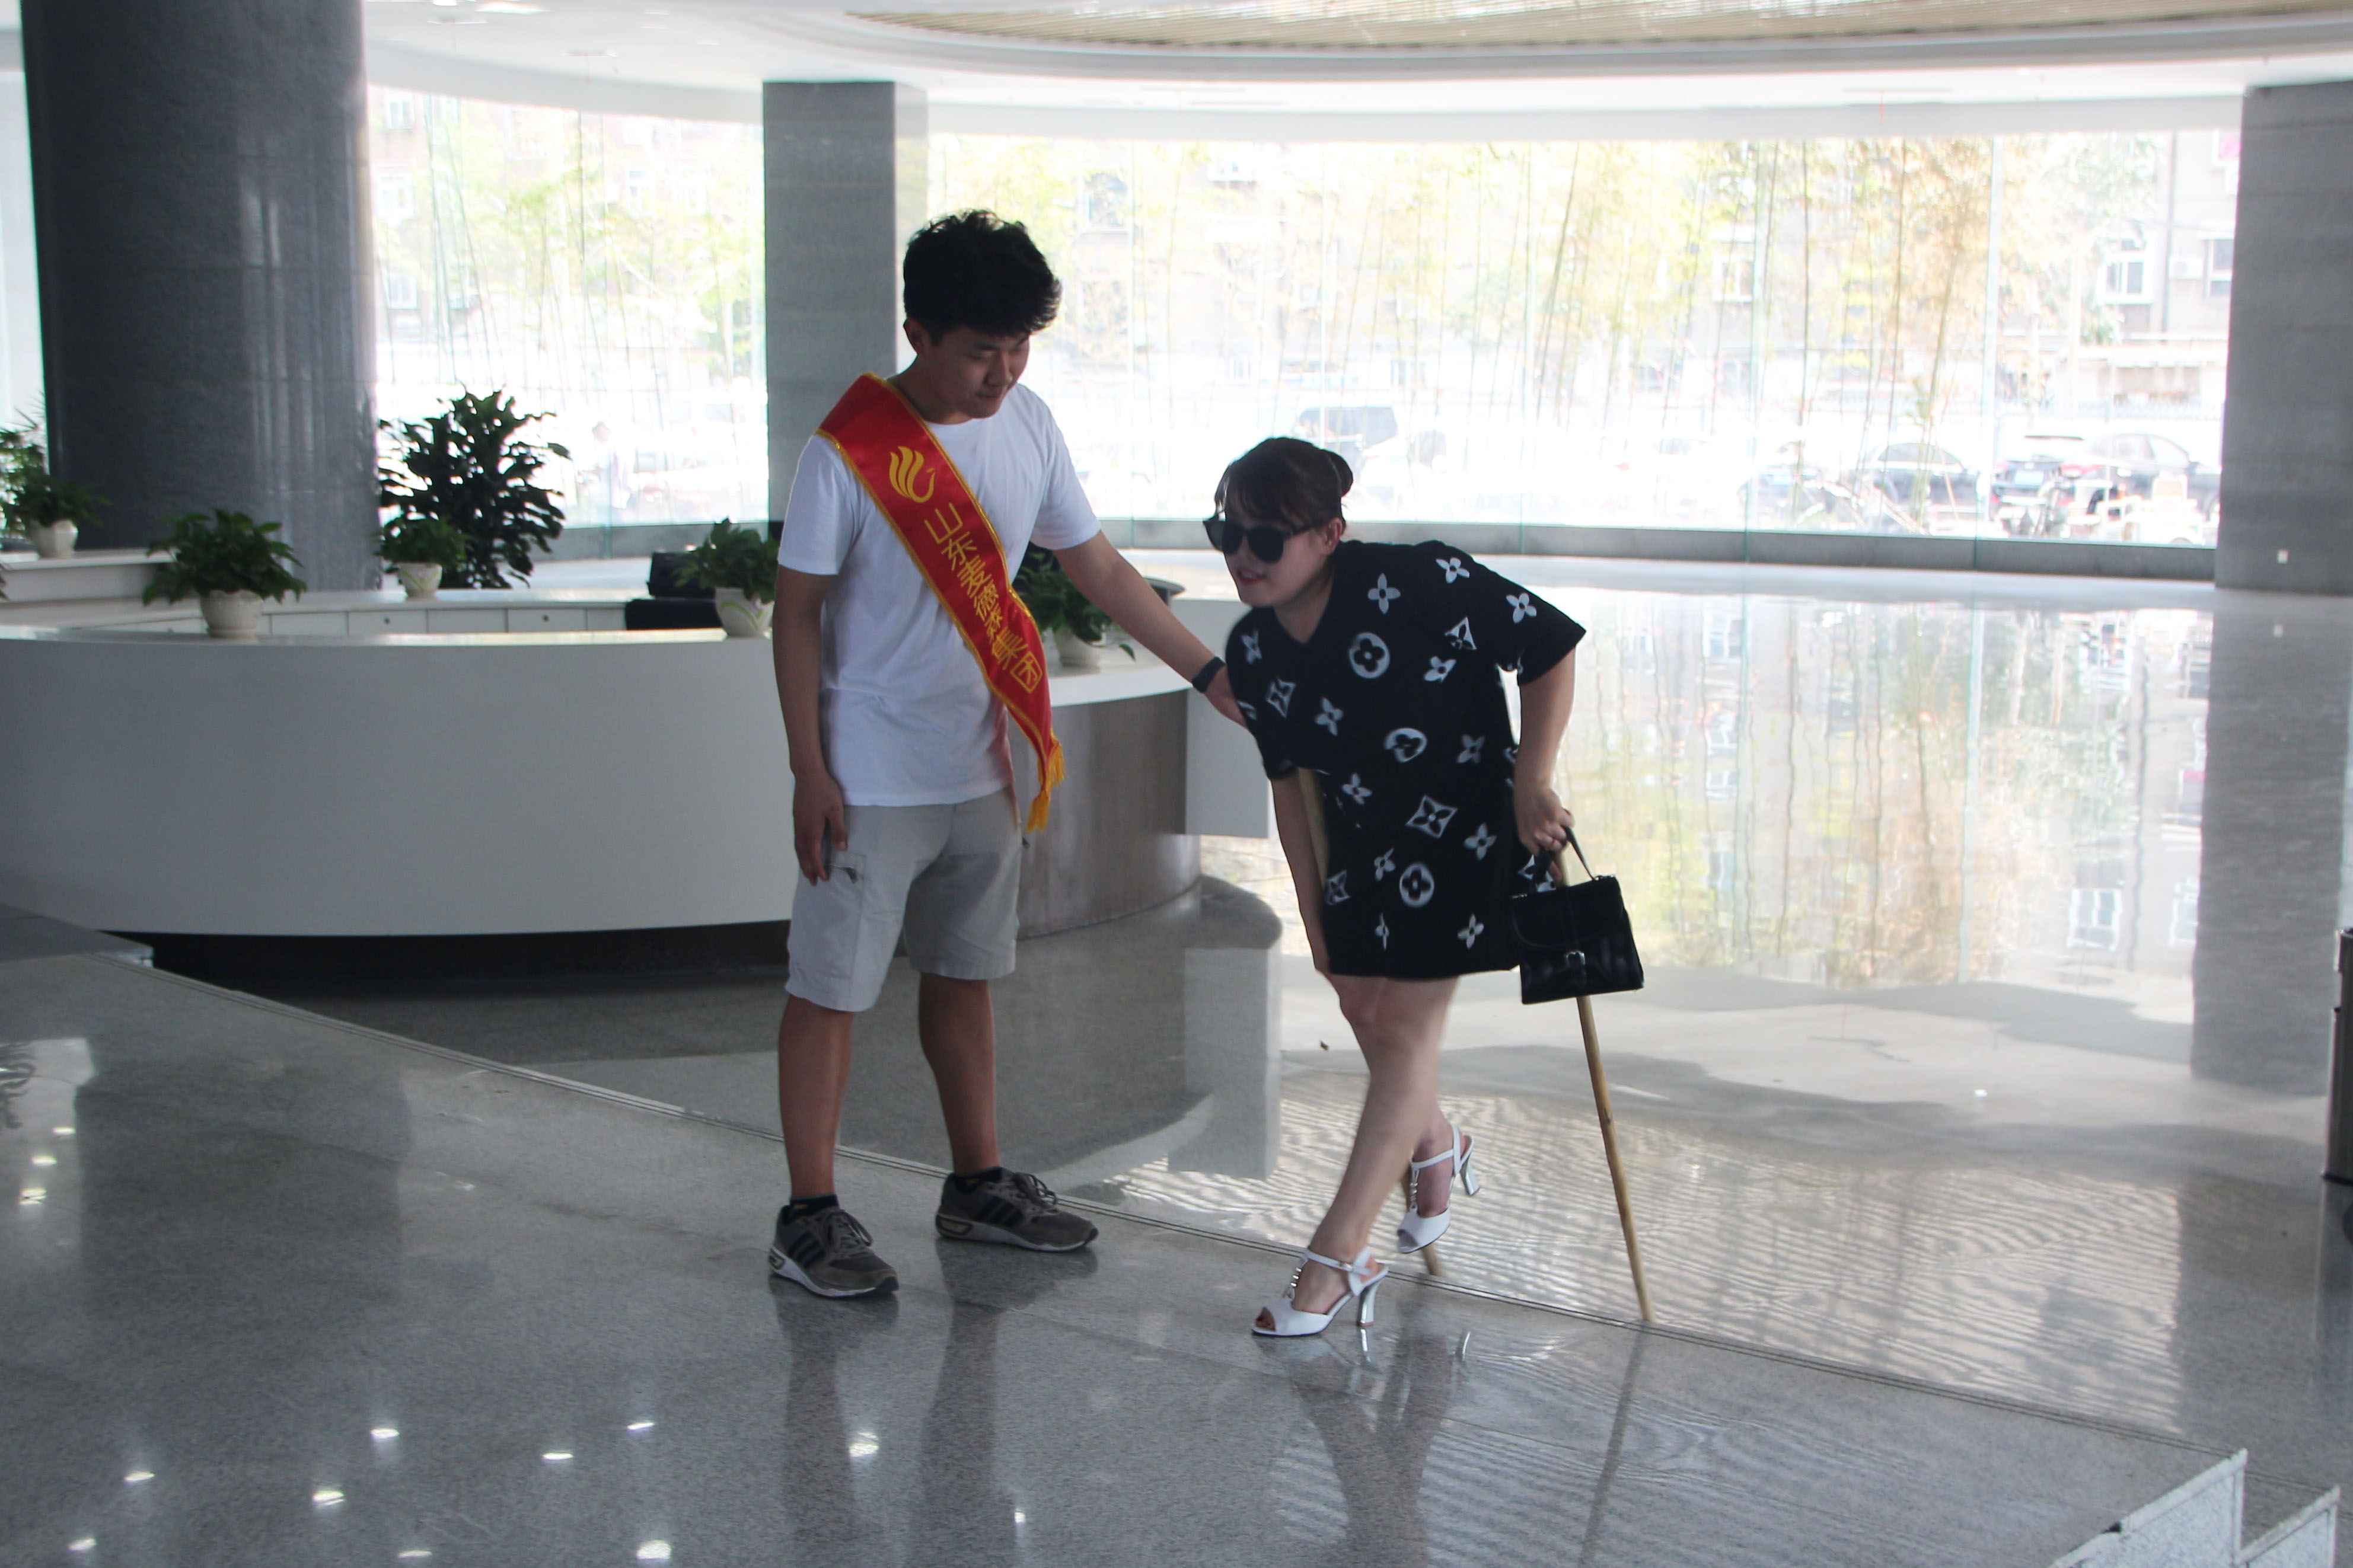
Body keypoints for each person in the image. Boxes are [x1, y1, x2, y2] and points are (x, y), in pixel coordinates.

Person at [767, 210, 1241, 1300]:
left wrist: (1208, 674)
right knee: (830, 989)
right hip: (868, 774)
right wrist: (809, 768)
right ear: (919, 333)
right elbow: (796, 614)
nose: (1005, 372)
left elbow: (1100, 568)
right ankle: (808, 1216)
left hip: (982, 760)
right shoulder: (846, 452)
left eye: (1021, 347)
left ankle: (977, 1184)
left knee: (967, 977)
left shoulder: (1029, 423)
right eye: (983, 350)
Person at [1211, 437, 1585, 1336]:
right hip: (1364, 849)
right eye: (1227, 534)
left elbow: (1548, 645)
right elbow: (1290, 789)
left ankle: (1335, 1259)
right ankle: (1436, 1141)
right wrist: (1317, 927)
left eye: (1267, 538)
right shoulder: (1254, 648)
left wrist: (1533, 778)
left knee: (1407, 1031)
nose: (1243, 556)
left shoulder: (1420, 581)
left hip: (1470, 832)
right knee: (1366, 1011)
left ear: (1329, 534)